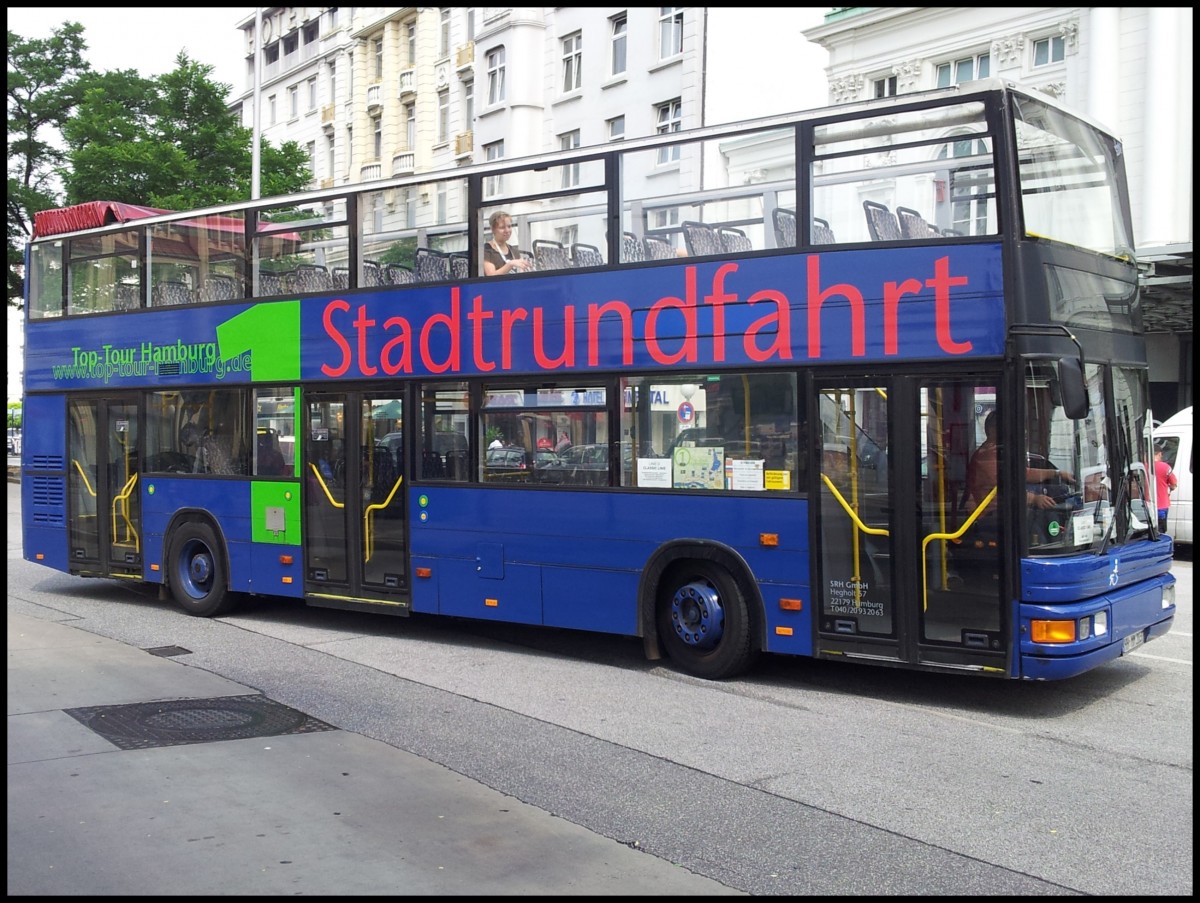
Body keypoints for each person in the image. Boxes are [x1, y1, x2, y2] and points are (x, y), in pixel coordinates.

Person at [966, 411, 1074, 511]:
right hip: (995, 514)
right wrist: (1034, 499)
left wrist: (1056, 473)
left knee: (1060, 492)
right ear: (993, 429)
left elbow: (1023, 473)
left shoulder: (997, 451)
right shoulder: (986, 456)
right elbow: (1004, 489)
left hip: (1007, 509)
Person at [482, 211, 533, 276]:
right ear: (493, 229)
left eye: (509, 226)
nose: (507, 230)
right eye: (502, 227)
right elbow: (491, 275)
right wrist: (510, 264)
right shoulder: (486, 250)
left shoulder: (514, 251)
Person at [1153, 446, 1178, 532]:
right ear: (1159, 454)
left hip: (1147, 507)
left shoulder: (1144, 466)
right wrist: (1169, 488)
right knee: (1161, 533)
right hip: (1162, 506)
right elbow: (1174, 484)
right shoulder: (1166, 467)